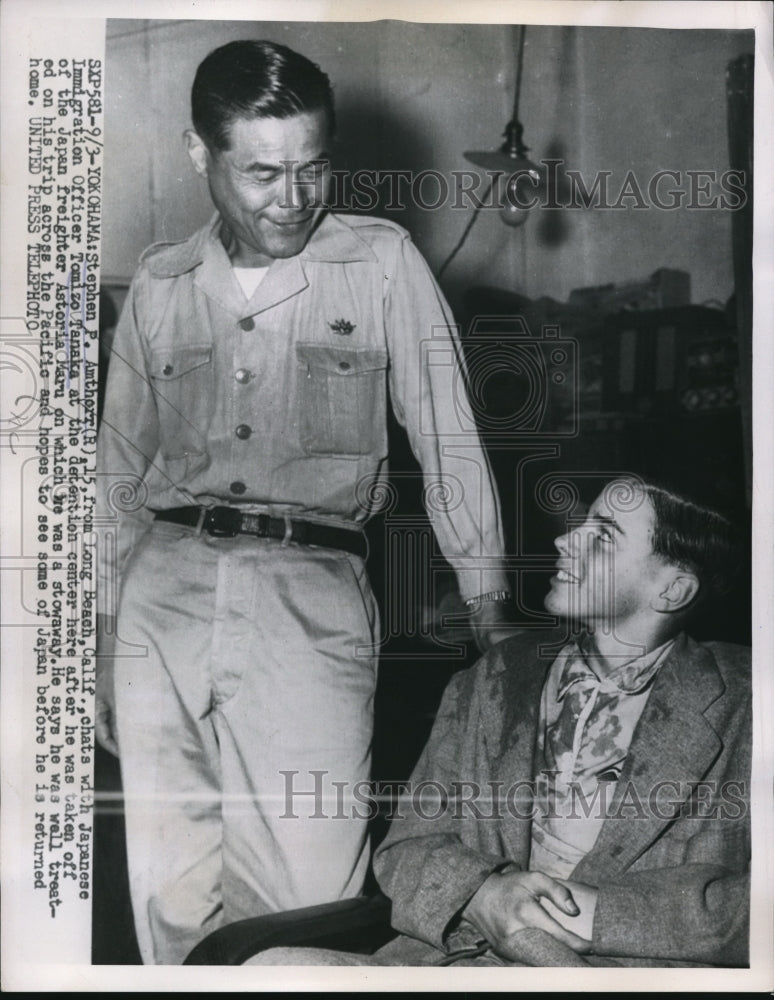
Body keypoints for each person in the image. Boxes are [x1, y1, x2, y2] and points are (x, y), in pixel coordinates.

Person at [95, 39, 511, 965]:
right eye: (263, 173)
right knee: (169, 901)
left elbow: (448, 437)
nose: (293, 198)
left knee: (307, 905)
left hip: (310, 597)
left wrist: (494, 616)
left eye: (314, 168)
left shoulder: (383, 262)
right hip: (158, 606)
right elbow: (116, 475)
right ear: (201, 155)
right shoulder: (161, 284)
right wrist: (96, 636)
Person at [252, 476, 751, 967]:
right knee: (272, 968)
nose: (564, 539)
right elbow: (406, 847)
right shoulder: (497, 674)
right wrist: (482, 893)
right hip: (459, 961)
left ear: (672, 590)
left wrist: (601, 917)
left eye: (602, 536)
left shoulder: (748, 700)